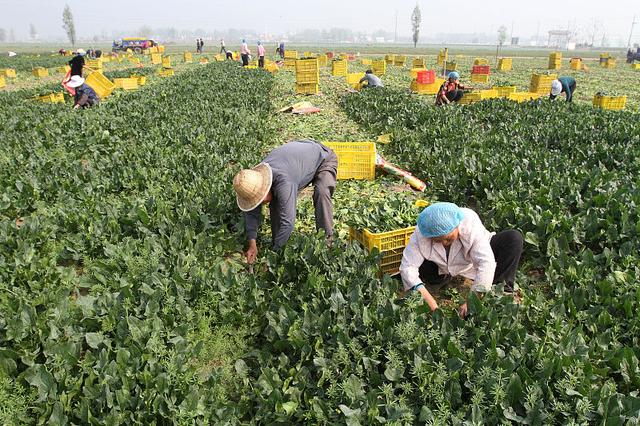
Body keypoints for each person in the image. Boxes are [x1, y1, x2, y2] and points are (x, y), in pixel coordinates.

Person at [399, 202, 523, 318]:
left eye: (447, 238)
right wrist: (429, 301)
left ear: (457, 225)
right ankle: (441, 278)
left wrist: (473, 300)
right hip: (440, 266)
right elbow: (407, 267)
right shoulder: (422, 232)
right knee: (417, 264)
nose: (443, 243)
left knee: (513, 238)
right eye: (437, 240)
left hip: (469, 262)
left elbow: (485, 262)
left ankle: (501, 291)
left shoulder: (469, 222)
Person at [233, 139, 338, 263]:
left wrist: (271, 257)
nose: (260, 203)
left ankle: (327, 241)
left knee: (322, 192)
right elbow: (251, 212)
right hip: (297, 159)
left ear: (266, 188)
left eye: (260, 199)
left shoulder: (284, 182)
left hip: (323, 158)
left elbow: (288, 223)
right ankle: (278, 244)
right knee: (276, 203)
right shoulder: (254, 178)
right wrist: (252, 243)